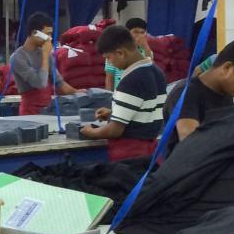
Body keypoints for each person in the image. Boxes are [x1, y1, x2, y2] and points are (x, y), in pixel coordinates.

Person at [79, 25, 167, 161]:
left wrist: (91, 132)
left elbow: (114, 130)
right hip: (150, 151)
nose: (110, 63)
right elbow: (145, 111)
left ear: (120, 53)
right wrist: (114, 114)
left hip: (130, 154)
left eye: (109, 57)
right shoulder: (156, 71)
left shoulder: (131, 80)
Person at [163, 41, 234, 154]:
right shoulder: (185, 93)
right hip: (187, 169)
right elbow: (192, 144)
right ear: (226, 68)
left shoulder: (226, 95)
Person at [10, 12, 77, 115]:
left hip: (48, 109)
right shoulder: (18, 57)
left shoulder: (45, 54)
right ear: (34, 33)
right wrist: (45, 55)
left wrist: (80, 93)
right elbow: (40, 83)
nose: (49, 38)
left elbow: (60, 83)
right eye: (47, 34)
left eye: (51, 34)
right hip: (30, 111)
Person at [104, 17, 154, 90]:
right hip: (119, 94)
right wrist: (109, 96)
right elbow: (109, 78)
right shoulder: (115, 51)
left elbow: (151, 71)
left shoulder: (146, 51)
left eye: (142, 32)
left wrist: (146, 48)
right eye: (135, 32)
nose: (139, 35)